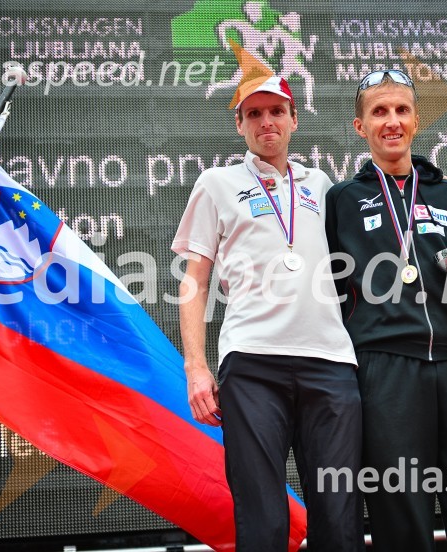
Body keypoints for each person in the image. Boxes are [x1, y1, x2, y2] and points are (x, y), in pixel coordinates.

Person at [325, 70, 447, 551]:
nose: (392, 121)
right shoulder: (342, 200)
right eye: (379, 111)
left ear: (416, 120)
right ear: (359, 126)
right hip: (385, 371)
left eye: (401, 110)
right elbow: (323, 288)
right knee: (400, 514)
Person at [172, 75, 364, 551]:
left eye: (276, 111)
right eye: (253, 114)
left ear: (294, 120)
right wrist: (196, 366)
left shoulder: (322, 185)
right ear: (239, 125)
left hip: (332, 365)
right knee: (263, 523)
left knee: (340, 525)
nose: (266, 122)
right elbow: (193, 279)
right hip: (253, 364)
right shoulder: (216, 183)